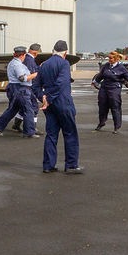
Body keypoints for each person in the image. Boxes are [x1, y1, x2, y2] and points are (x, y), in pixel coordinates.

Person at [38, 40, 81, 173]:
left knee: (51, 135)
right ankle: (71, 165)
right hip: (63, 103)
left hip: (50, 107)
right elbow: (61, 83)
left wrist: (43, 98)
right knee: (70, 134)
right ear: (65, 53)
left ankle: (48, 165)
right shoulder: (64, 63)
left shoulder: (44, 65)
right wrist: (49, 99)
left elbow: (35, 85)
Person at [92, 51, 128, 133]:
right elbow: (100, 75)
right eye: (109, 58)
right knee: (102, 106)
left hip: (114, 88)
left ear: (116, 59)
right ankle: (101, 123)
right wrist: (95, 81)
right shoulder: (106, 66)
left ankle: (117, 126)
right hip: (104, 87)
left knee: (115, 107)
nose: (109, 60)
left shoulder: (121, 68)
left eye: (111, 58)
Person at [0, 46, 39, 138]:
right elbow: (22, 78)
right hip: (21, 89)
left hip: (15, 89)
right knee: (28, 109)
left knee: (13, 109)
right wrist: (35, 75)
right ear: (22, 55)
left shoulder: (13, 63)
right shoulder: (17, 65)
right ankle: (29, 132)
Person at [12, 43, 42, 133]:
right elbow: (31, 75)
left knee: (23, 107)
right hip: (28, 87)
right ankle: (33, 127)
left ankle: (16, 125)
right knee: (34, 107)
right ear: (36, 53)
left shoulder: (27, 59)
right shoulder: (30, 61)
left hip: (22, 87)